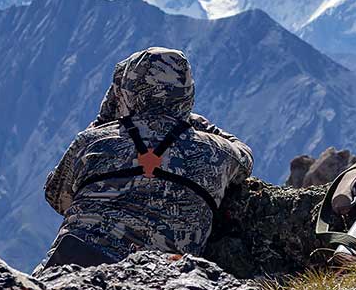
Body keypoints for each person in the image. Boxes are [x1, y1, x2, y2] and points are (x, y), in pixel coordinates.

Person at [41, 47, 254, 269]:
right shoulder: (217, 152)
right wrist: (192, 122)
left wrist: (104, 120)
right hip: (161, 280)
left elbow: (57, 198)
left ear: (129, 93)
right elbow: (244, 155)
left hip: (70, 268)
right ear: (188, 93)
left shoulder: (92, 141)